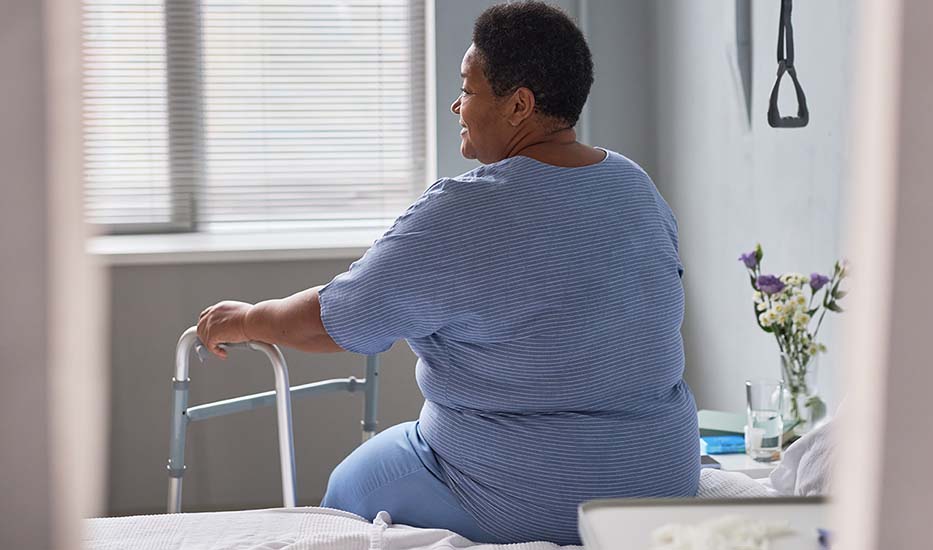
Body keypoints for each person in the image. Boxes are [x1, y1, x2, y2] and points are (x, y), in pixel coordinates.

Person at [196, 1, 699, 545]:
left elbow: (329, 322)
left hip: (526, 495)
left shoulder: (465, 212)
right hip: (661, 483)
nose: (456, 105)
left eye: (469, 89)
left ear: (519, 106)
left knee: (348, 486)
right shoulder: (635, 186)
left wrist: (248, 319)